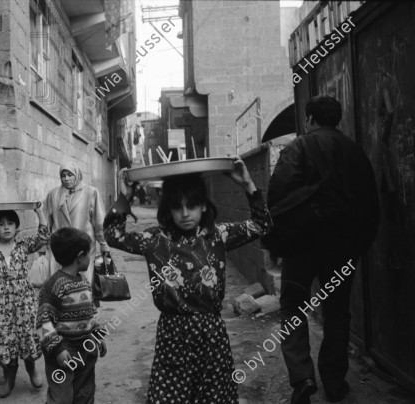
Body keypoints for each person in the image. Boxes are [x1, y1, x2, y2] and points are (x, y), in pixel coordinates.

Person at [103, 158, 272, 403]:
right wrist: (124, 196)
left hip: (210, 334)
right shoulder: (156, 240)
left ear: (203, 205)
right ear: (168, 210)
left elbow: (262, 225)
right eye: (177, 207)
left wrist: (248, 184)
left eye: (191, 206)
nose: (184, 214)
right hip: (173, 335)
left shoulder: (218, 236)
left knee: (214, 397)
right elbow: (113, 235)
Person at [267, 95, 379, 404]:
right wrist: (358, 246)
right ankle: (334, 382)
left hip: (301, 245)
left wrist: (277, 241)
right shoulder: (356, 153)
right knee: (337, 312)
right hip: (342, 248)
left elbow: (277, 194)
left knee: (293, 307)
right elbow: (371, 204)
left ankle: (302, 377)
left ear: (311, 119)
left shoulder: (299, 147)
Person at [0, 207, 49, 398]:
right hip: (1, 306)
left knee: (26, 335)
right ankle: (9, 378)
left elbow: (43, 238)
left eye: (10, 224)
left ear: (17, 227)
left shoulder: (23, 245)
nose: (6, 228)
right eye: (1, 224)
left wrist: (39, 212)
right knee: (5, 339)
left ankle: (32, 370)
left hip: (24, 300)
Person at [36, 227, 107, 404]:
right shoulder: (54, 285)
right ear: (80, 256)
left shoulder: (83, 282)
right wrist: (57, 350)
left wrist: (98, 335)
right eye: (90, 254)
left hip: (86, 347)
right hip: (63, 349)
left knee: (85, 391)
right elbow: (43, 321)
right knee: (61, 397)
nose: (91, 259)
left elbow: (90, 312)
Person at [44, 162, 110, 285]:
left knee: (83, 283)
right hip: (60, 247)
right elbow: (46, 222)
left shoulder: (91, 193)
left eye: (70, 175)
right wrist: (43, 245)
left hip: (82, 247)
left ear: (77, 175)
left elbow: (99, 222)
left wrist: (104, 243)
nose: (66, 179)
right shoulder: (53, 195)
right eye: (63, 175)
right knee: (58, 284)